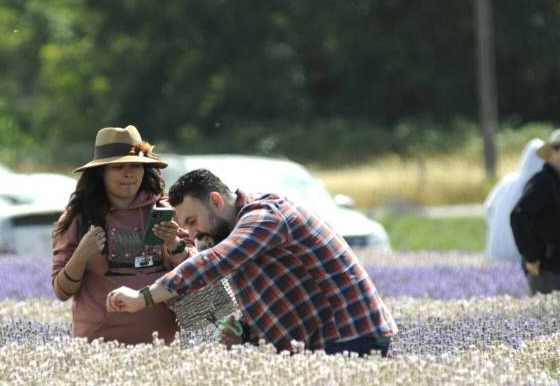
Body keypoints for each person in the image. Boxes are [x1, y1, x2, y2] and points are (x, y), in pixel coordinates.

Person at [105, 168, 396, 357]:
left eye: (192, 221)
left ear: (216, 202)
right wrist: (245, 329)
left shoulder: (265, 216)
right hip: (323, 341)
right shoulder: (232, 231)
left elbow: (215, 261)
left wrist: (144, 297)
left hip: (350, 335)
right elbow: (277, 289)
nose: (192, 233)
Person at [51, 125, 195, 344]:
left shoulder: (164, 210)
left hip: (163, 348)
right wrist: (81, 255)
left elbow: (196, 272)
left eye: (135, 166)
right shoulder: (79, 218)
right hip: (98, 347)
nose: (129, 174)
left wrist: (173, 242)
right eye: (119, 167)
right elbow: (61, 291)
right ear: (101, 172)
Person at [510, 128, 560, 295]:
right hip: (545, 268)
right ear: (551, 154)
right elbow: (519, 215)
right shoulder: (542, 182)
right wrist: (531, 257)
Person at [484, 138, 544, 262]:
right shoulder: (540, 186)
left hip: (494, 252)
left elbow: (488, 208)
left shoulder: (508, 180)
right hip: (522, 256)